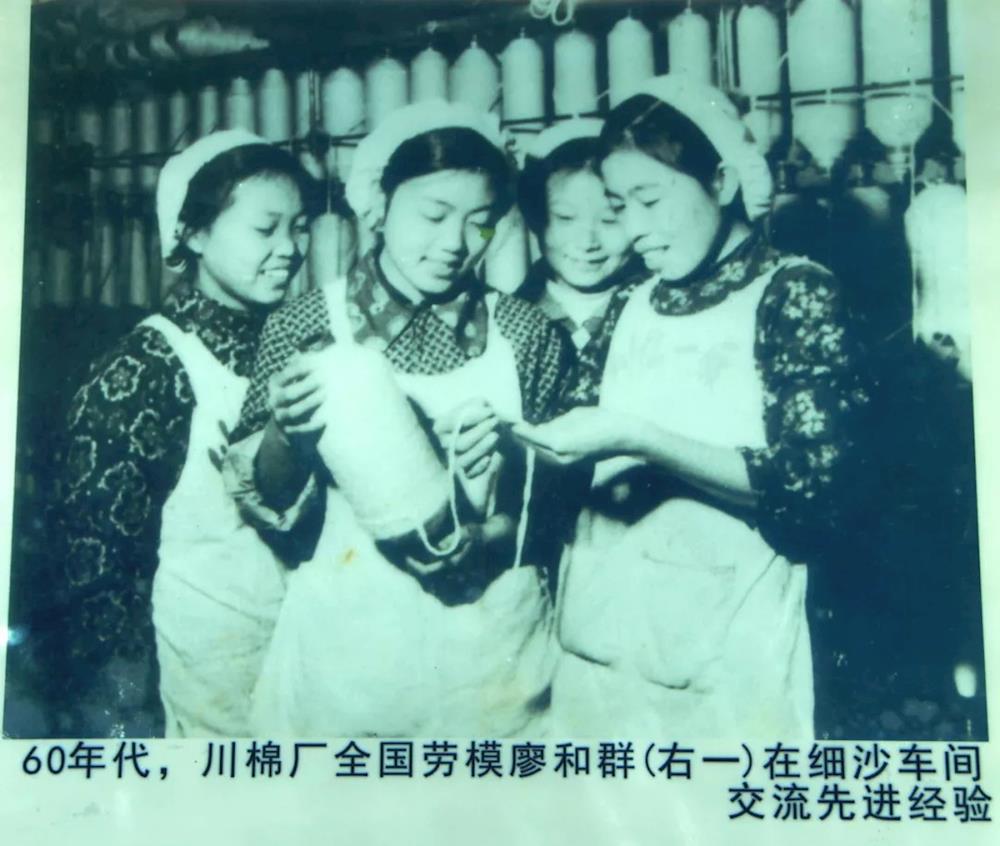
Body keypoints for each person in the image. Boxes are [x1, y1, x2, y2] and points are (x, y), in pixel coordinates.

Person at [514, 76, 870, 738]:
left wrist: (643, 439)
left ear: (723, 182)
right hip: (597, 648)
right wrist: (500, 436)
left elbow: (811, 489)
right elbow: (566, 442)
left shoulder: (792, 292)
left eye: (650, 200)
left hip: (726, 664)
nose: (633, 230)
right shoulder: (631, 301)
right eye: (619, 206)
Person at [225, 101, 573, 737]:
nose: (455, 244)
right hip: (349, 662)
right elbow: (269, 506)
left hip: (491, 659)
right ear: (380, 207)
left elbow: (552, 505)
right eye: (433, 215)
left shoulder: (527, 333)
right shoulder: (305, 324)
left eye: (481, 223)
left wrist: (490, 536)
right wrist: (284, 433)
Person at [50, 130, 314, 737]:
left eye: (299, 229)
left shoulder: (296, 349)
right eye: (266, 229)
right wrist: (127, 720)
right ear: (192, 234)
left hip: (300, 667)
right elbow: (97, 573)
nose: (290, 249)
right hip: (196, 687)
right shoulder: (145, 369)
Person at [515, 119, 645, 407]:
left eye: (610, 220)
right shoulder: (507, 319)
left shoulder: (657, 309)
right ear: (537, 217)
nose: (587, 242)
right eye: (565, 218)